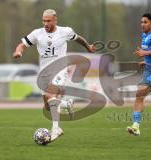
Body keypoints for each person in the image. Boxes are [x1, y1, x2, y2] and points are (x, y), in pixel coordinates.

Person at [13, 9, 95, 141]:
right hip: (44, 73)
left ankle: (56, 129)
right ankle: (65, 104)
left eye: (48, 21)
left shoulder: (65, 31)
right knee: (48, 105)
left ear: (55, 20)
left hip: (60, 69)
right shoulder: (37, 33)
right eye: (44, 21)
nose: (46, 23)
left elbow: (78, 38)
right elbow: (22, 45)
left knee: (51, 95)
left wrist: (88, 47)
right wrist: (18, 51)